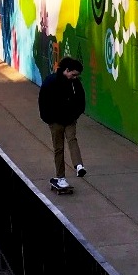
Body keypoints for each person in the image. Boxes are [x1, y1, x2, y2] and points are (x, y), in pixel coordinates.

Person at [38, 56, 87, 190]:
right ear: (67, 70)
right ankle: (61, 177)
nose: (75, 77)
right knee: (59, 148)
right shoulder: (51, 81)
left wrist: (76, 114)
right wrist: (47, 118)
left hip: (70, 119)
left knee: (72, 139)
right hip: (55, 121)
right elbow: (43, 101)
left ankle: (78, 166)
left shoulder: (75, 83)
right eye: (73, 74)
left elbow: (81, 99)